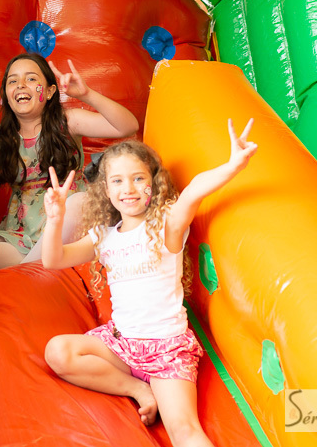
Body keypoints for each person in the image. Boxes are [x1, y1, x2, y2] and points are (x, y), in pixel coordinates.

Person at [40, 121, 257, 447]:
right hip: (121, 345)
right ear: (106, 190)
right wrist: (55, 220)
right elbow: (53, 259)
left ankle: (151, 386)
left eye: (138, 178)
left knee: (184, 431)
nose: (128, 188)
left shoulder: (165, 224)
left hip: (165, 351)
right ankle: (137, 389)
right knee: (57, 352)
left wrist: (232, 165)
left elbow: (195, 190)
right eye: (117, 181)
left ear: (153, 185)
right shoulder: (104, 235)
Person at [0, 53, 139, 269]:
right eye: (12, 81)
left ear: (51, 91)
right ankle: (32, 268)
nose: (21, 85)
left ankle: (34, 268)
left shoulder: (68, 122)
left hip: (68, 223)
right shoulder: (1, 137)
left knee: (79, 202)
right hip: (21, 237)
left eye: (31, 79)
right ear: (5, 95)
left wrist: (87, 95)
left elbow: (127, 126)